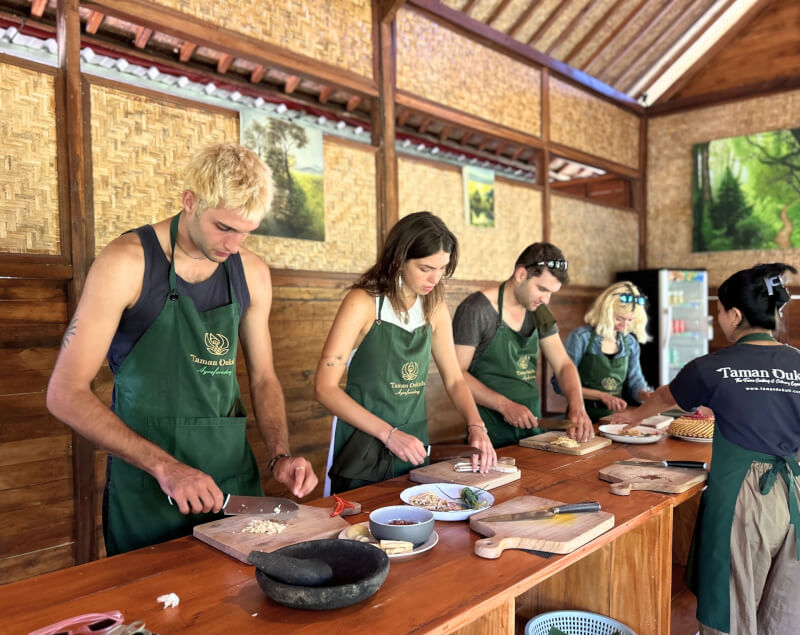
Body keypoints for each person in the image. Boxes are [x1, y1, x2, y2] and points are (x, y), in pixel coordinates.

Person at [46, 143, 317, 555]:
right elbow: (65, 393)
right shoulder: (127, 262)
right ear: (189, 201)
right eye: (224, 227)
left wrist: (280, 456)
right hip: (150, 486)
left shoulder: (252, 272)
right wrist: (167, 468)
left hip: (231, 481)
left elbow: (263, 377)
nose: (234, 244)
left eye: (247, 231)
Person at [612, 263, 800, 635]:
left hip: (743, 500)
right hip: (794, 492)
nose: (718, 319)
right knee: (784, 611)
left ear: (734, 315)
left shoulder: (712, 367)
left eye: (719, 311)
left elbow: (666, 397)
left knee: (730, 610)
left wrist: (633, 417)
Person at [315, 211, 496, 496]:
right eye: (426, 268)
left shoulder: (433, 307)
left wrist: (476, 425)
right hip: (361, 445)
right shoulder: (363, 303)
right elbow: (325, 389)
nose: (435, 278)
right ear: (399, 260)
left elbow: (454, 379)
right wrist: (388, 434)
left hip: (412, 444)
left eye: (442, 269)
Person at [452, 243, 593, 448]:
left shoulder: (539, 310)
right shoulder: (476, 310)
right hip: (490, 436)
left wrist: (577, 406)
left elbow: (563, 365)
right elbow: (457, 375)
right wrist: (504, 405)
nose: (546, 299)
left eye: (551, 293)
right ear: (520, 275)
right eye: (542, 289)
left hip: (533, 433)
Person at [556, 281, 653, 422]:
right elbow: (560, 384)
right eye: (619, 318)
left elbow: (635, 383)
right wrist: (601, 396)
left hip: (614, 419)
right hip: (581, 418)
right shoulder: (581, 338)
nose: (624, 325)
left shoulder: (630, 344)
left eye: (630, 320)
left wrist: (645, 395)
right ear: (605, 312)